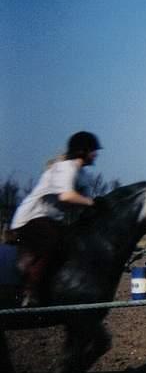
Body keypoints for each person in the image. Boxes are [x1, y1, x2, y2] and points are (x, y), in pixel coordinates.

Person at [9, 131, 102, 306]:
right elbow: (67, 196)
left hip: (52, 220)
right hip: (31, 217)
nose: (96, 154)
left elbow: (87, 203)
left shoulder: (83, 175)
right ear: (83, 151)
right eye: (93, 150)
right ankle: (29, 291)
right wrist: (92, 203)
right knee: (54, 240)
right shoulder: (65, 168)